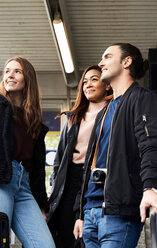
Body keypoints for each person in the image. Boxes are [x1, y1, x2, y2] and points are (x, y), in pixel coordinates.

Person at [73, 43, 157, 248]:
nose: (101, 63)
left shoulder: (143, 99)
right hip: (91, 214)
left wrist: (150, 187)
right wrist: (80, 213)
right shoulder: (103, 113)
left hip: (119, 213)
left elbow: (151, 144)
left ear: (126, 62)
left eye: (107, 57)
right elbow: (89, 164)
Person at [0, 56, 55, 248]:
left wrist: (41, 203)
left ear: (27, 78)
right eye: (7, 71)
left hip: (24, 187)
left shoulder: (34, 121)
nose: (10, 75)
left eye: (17, 71)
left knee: (45, 245)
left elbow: (37, 168)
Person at [47, 65, 111, 248]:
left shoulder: (112, 112)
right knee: (64, 233)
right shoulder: (73, 117)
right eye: (84, 81)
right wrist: (53, 185)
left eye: (94, 79)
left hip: (95, 180)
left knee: (85, 236)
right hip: (68, 180)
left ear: (107, 85)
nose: (88, 84)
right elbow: (59, 158)